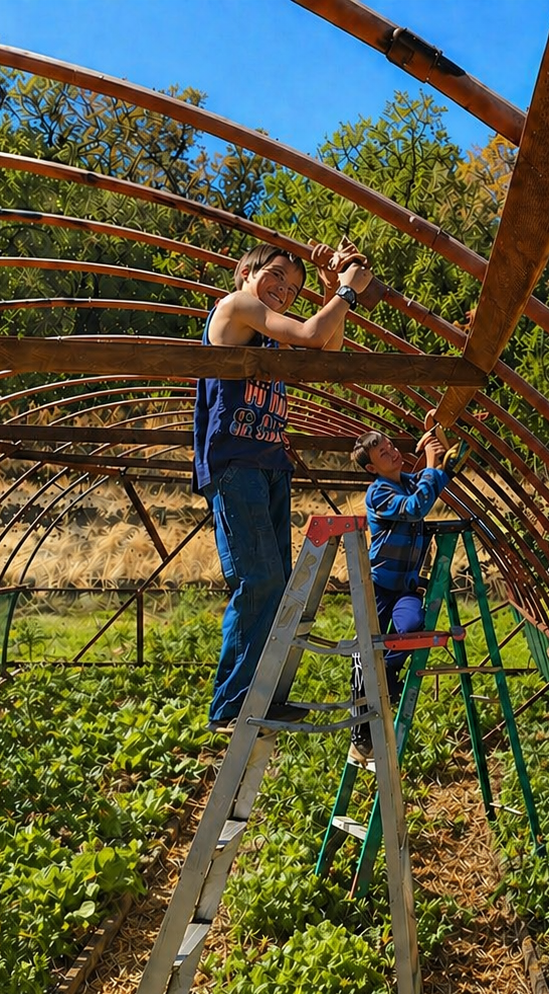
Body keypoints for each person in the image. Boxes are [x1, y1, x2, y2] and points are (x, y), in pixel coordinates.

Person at [196, 240, 372, 729]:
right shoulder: (236, 307)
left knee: (276, 585)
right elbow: (316, 335)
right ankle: (230, 707)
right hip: (236, 463)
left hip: (270, 462)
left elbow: (327, 353)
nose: (283, 291)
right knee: (260, 581)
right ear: (247, 273)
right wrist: (346, 291)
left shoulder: (273, 334)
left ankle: (259, 697)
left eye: (293, 289)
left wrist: (328, 290)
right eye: (276, 276)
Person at [349, 418, 464, 757]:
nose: (393, 453)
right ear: (373, 467)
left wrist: (448, 459)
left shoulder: (412, 481)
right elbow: (416, 508)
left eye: (392, 447)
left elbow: (439, 477)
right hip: (379, 587)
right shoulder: (380, 493)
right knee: (363, 656)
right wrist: (432, 462)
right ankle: (361, 736)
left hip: (405, 588)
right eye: (384, 453)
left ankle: (386, 673)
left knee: (411, 628)